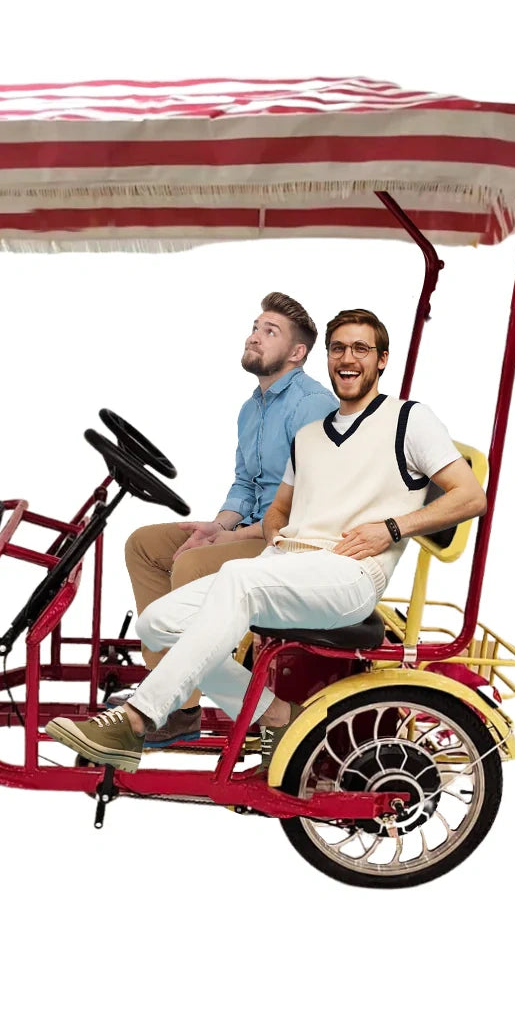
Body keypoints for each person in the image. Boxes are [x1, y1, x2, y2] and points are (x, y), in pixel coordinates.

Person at [47, 309, 487, 773]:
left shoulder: (409, 418)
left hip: (350, 572)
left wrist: (392, 528)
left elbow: (470, 496)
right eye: (338, 348)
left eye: (361, 348)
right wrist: (273, 532)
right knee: (157, 624)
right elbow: (279, 506)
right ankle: (277, 715)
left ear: (382, 360)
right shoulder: (311, 436)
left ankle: (135, 720)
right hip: (286, 563)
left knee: (237, 578)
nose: (347, 358)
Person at [120, 292, 337, 744]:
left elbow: (305, 503)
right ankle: (181, 704)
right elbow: (244, 483)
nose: (253, 336)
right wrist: (218, 526)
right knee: (144, 544)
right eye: (256, 326)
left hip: (289, 541)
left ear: (297, 353)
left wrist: (234, 535)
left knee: (191, 565)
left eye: (269, 331)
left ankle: (173, 701)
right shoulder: (251, 407)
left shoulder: (311, 405)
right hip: (250, 529)